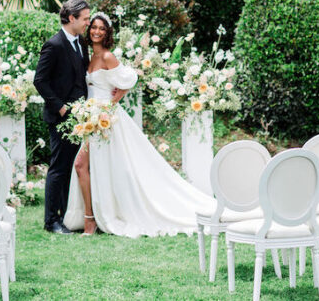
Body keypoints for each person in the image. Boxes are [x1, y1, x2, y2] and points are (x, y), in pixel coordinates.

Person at [63, 12, 213, 237]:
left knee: (85, 165)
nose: (96, 31)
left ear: (107, 33)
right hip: (92, 118)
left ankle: (93, 220)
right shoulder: (89, 56)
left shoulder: (107, 56)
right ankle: (91, 217)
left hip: (105, 120)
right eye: (93, 27)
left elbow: (129, 79)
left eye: (101, 28)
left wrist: (112, 101)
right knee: (87, 166)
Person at [33, 0, 91, 234]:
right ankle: (51, 221)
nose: (87, 22)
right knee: (58, 168)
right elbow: (40, 80)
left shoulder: (81, 43)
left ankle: (66, 215)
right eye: (85, 18)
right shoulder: (54, 45)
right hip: (61, 118)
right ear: (71, 18)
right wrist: (61, 107)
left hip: (80, 118)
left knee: (71, 167)